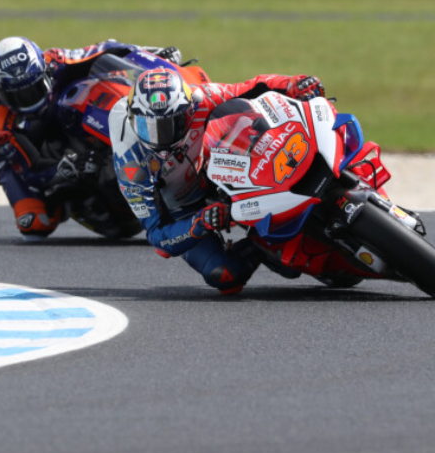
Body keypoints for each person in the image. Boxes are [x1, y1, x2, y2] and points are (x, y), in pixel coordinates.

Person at [108, 65, 325, 294]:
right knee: (223, 275)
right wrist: (200, 223)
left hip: (219, 171)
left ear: (188, 110)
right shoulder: (130, 163)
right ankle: (264, 246)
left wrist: (292, 84)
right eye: (149, 127)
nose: (162, 137)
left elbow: (253, 86)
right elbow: (157, 235)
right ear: (133, 119)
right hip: (183, 208)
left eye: (174, 123)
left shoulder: (201, 99)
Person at [0, 36, 182, 239]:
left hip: (63, 118)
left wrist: (154, 55)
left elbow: (105, 49)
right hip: (20, 151)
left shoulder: (54, 60)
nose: (29, 100)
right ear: (1, 93)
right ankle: (70, 201)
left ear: (44, 73)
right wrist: (66, 168)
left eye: (34, 89)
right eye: (17, 95)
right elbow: (31, 171)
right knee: (35, 225)